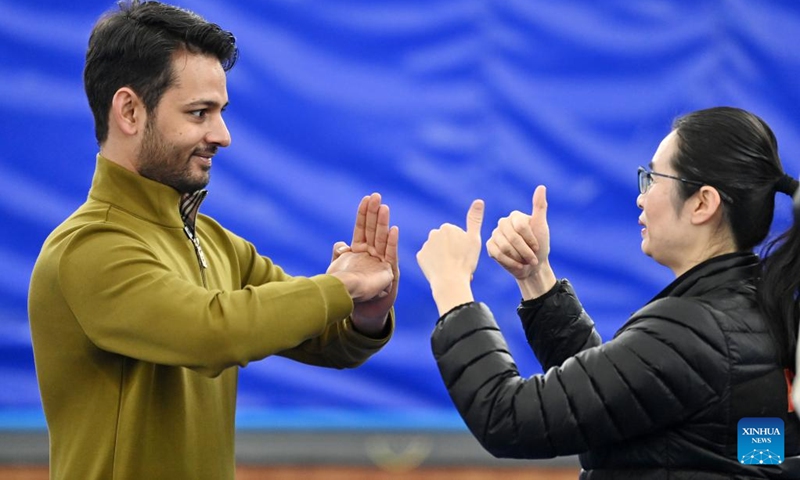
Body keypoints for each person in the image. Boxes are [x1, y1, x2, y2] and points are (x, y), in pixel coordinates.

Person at [27, 1, 399, 479]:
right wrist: (341, 286)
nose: (222, 135)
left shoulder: (216, 242)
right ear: (129, 111)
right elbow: (213, 333)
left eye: (220, 112)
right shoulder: (88, 248)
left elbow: (326, 339)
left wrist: (367, 315)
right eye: (199, 112)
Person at [417, 106, 800, 478]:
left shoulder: (692, 332)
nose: (641, 196)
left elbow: (506, 416)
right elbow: (614, 400)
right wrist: (536, 279)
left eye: (654, 178)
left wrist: (452, 287)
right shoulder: (756, 313)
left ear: (702, 203)